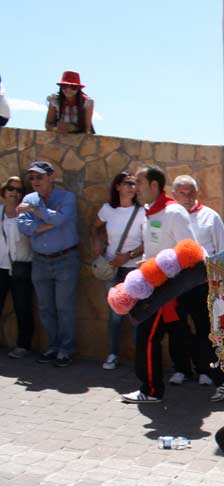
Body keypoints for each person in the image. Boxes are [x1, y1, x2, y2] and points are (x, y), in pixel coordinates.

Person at [120, 166, 199, 404]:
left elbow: (190, 251)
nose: (136, 189)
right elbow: (161, 248)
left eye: (140, 183)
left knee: (148, 336)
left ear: (155, 185)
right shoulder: (150, 213)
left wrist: (160, 269)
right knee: (159, 335)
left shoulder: (174, 212)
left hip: (167, 289)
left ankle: (152, 390)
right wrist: (149, 262)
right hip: (153, 284)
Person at [168, 175, 224, 402]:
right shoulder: (170, 217)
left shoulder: (210, 217)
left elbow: (223, 251)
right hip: (175, 282)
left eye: (191, 193)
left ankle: (205, 371)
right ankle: (181, 369)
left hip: (203, 283)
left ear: (197, 194)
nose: (187, 198)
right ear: (175, 195)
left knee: (204, 329)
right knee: (177, 328)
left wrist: (222, 285)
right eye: (182, 193)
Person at [16, 161, 79, 367]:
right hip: (40, 261)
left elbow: (61, 220)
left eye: (39, 177)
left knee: (64, 307)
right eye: (31, 177)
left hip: (65, 259)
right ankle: (53, 346)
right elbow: (23, 227)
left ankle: (66, 350)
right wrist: (46, 220)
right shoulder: (29, 198)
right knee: (45, 307)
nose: (34, 181)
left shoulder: (66, 197)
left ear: (51, 177)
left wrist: (35, 213)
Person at [90, 172, 145, 370]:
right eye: (127, 183)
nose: (131, 187)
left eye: (134, 184)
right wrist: (96, 243)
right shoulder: (107, 209)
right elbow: (94, 227)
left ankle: (140, 359)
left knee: (135, 315)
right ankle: (112, 354)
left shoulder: (142, 212)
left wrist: (129, 255)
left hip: (134, 268)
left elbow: (149, 242)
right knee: (114, 314)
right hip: (113, 267)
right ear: (117, 187)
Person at [0, 177, 33, 358]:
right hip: (1, 267)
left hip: (22, 266)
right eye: (11, 189)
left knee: (23, 307)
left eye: (19, 191)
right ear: (4, 191)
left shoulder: (26, 215)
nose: (15, 193)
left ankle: (23, 345)